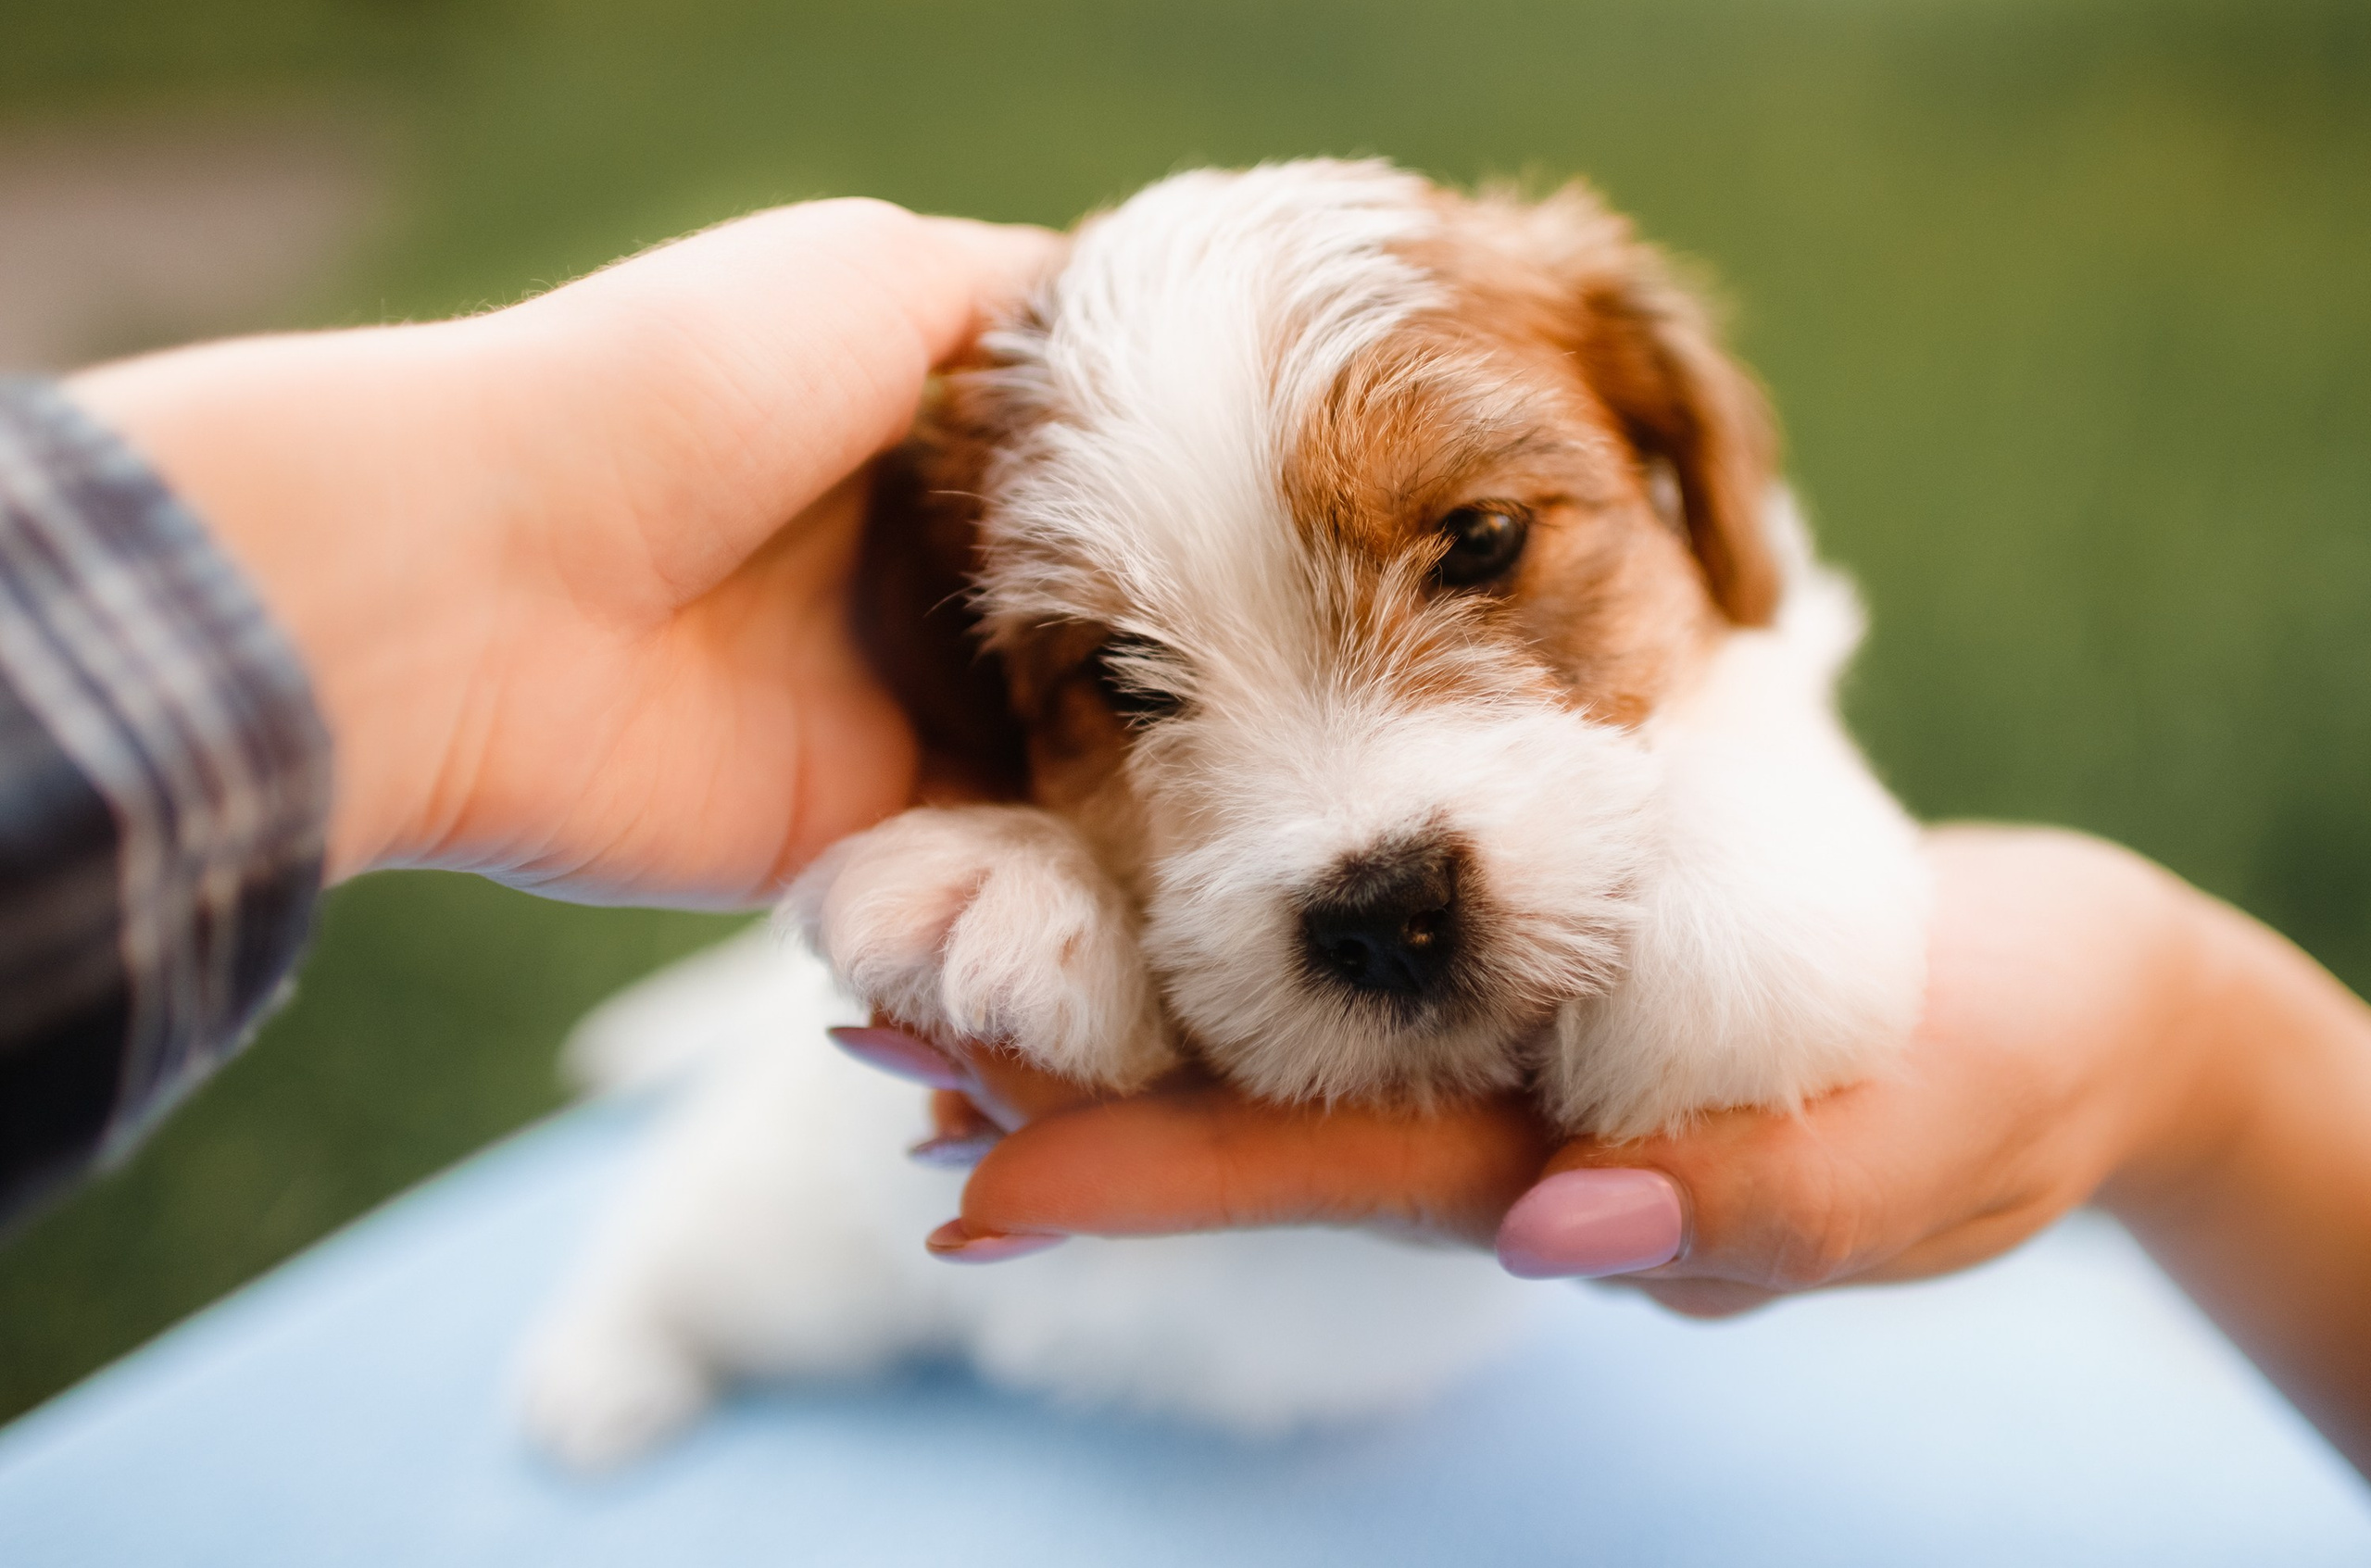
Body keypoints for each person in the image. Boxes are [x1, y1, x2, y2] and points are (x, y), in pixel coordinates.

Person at [2, 200, 2366, 1477]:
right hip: (974, 1303)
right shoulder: (995, 776)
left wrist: (2181, 1031)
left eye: (1467, 549)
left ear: (1685, 470)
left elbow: (1770, 820)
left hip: (1416, 1412)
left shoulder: (1733, 686)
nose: (1361, 832)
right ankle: (646, 1286)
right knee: (795, 1252)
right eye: (1122, 685)